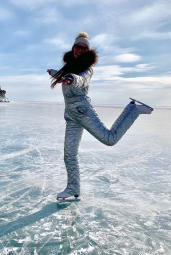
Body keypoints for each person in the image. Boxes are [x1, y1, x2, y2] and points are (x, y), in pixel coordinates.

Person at [47, 32, 153, 200]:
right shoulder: (69, 66)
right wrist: (54, 72)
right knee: (69, 154)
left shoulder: (87, 69)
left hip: (83, 112)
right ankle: (73, 188)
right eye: (77, 47)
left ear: (87, 51)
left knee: (109, 139)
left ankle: (134, 110)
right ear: (73, 47)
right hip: (71, 116)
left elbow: (82, 80)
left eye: (83, 48)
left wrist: (71, 79)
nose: (79, 50)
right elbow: (63, 74)